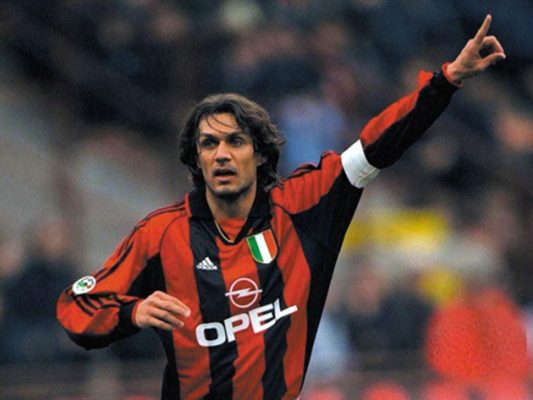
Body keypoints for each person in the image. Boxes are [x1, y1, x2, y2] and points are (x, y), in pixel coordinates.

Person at [57, 15, 505, 400]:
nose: (221, 154)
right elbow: (76, 306)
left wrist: (445, 82)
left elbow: (374, 146)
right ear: (195, 159)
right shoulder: (161, 234)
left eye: (235, 141)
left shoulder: (303, 206)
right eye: (208, 144)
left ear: (260, 153)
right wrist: (130, 313)